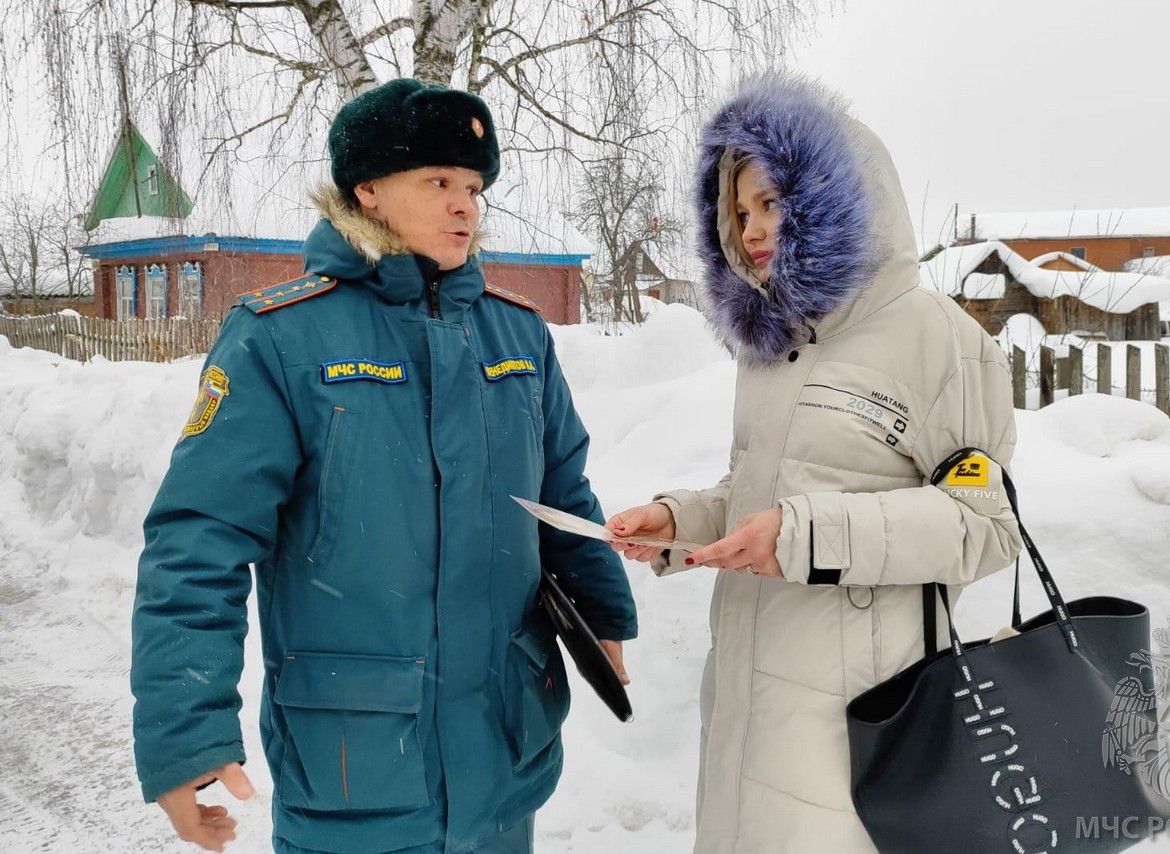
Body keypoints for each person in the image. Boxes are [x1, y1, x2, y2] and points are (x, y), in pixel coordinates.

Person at [131, 78, 638, 854]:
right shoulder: (279, 339)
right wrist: (184, 733)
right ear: (366, 189)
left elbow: (562, 493)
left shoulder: (517, 337)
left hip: (504, 761)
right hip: (357, 772)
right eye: (438, 182)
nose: (466, 204)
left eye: (473, 186)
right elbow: (198, 542)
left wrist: (602, 614)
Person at [607, 73, 1022, 853]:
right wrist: (679, 521)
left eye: (771, 202)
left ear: (836, 194)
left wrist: (807, 538)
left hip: (862, 712)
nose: (753, 228)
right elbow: (768, 490)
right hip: (745, 701)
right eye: (738, 210)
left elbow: (986, 524)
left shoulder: (939, 340)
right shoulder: (772, 344)